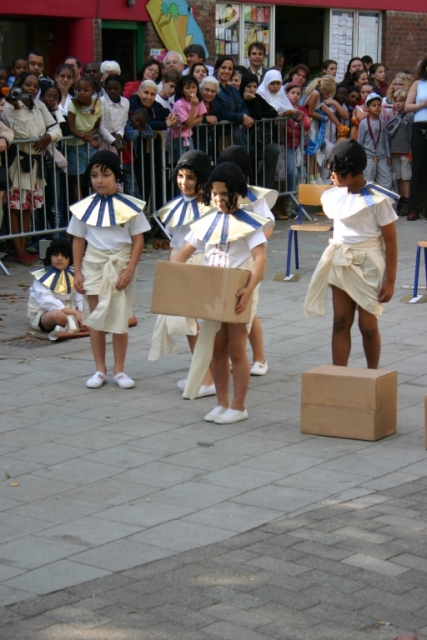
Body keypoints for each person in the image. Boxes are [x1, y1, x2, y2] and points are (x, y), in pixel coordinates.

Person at [171, 162, 270, 423]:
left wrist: (249, 289)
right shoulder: (206, 223)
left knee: (236, 348)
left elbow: (260, 259)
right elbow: (182, 253)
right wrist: (175, 280)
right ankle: (221, 402)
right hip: (212, 291)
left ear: (237, 192)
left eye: (224, 194)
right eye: (214, 193)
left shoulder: (249, 224)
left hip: (237, 292)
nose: (218, 199)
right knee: (216, 349)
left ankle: (239, 406)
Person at [304, 139, 398, 369]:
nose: (332, 175)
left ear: (355, 171)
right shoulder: (335, 195)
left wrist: (391, 281)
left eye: (338, 170)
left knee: (367, 326)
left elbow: (391, 240)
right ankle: (340, 376)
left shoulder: (378, 200)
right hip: (341, 260)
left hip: (369, 264)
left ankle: (372, 375)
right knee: (341, 321)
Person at [68, 150, 150, 389]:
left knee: (119, 315)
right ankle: (100, 369)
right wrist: (78, 272)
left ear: (117, 177)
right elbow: (78, 240)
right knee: (95, 318)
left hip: (120, 265)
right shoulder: (83, 208)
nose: (99, 180)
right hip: (93, 264)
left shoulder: (130, 207)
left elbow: (138, 240)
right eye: (94, 175)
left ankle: (120, 370)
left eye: (105, 174)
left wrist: (130, 270)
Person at [150, 150, 216, 397]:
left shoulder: (210, 206)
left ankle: (207, 378)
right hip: (179, 263)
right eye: (180, 175)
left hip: (198, 264)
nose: (184, 182)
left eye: (190, 177)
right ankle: (202, 374)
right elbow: (174, 241)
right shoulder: (176, 206)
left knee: (195, 324)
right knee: (189, 324)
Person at [216, 145, 277, 375]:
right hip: (227, 258)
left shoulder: (253, 197)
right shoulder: (220, 195)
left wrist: (255, 241)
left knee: (247, 310)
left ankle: (259, 358)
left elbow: (268, 225)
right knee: (232, 311)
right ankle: (230, 357)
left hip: (250, 260)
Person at [2, 72, 62, 263]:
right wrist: (18, 106)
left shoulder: (39, 105)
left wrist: (48, 137)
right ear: (19, 86)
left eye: (35, 86)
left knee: (27, 208)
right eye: (28, 85)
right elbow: (22, 131)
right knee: (14, 208)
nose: (32, 89)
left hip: (35, 164)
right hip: (17, 164)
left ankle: (24, 246)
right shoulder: (9, 107)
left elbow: (55, 128)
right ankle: (18, 251)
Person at [27, 238, 84, 338]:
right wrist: (74, 312)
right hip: (44, 312)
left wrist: (83, 313)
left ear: (70, 258)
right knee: (59, 316)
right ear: (50, 256)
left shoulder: (74, 274)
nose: (59, 258)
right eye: (55, 255)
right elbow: (46, 301)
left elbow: (81, 297)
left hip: (69, 310)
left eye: (64, 255)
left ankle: (66, 326)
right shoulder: (42, 277)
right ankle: (67, 325)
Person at [239, 72, 280, 190]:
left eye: (254, 87)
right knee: (249, 169)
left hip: (257, 140)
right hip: (243, 140)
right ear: (243, 87)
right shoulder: (239, 97)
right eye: (248, 87)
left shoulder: (256, 97)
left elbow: (273, 112)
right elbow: (257, 115)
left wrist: (254, 100)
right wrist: (255, 106)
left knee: (273, 150)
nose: (252, 90)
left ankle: (264, 189)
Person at [66, 75, 102, 202]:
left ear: (93, 91)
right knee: (77, 179)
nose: (81, 92)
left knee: (93, 176)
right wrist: (88, 139)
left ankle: (94, 205)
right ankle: (80, 209)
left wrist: (90, 134)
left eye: (85, 90)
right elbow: (72, 128)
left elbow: (97, 126)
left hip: (89, 146)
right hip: (74, 146)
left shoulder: (97, 104)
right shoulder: (72, 104)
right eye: (78, 89)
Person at [303, 75, 341, 184]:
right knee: (313, 152)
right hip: (311, 125)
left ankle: (317, 175)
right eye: (328, 93)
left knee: (317, 151)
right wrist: (324, 118)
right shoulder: (315, 94)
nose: (328, 95)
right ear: (323, 88)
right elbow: (311, 112)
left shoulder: (317, 94)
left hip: (315, 125)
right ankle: (311, 177)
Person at [210, 55, 253, 149]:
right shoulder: (211, 88)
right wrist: (241, 117)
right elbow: (219, 112)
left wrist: (245, 116)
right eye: (223, 67)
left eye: (230, 69)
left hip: (237, 135)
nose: (226, 71)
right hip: (220, 136)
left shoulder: (233, 90)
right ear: (217, 68)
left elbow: (243, 107)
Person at [404, 55, 427, 221]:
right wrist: (422, 105)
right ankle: (415, 207)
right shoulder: (418, 84)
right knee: (418, 168)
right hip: (420, 128)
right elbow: (407, 106)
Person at [357, 93, 392, 189]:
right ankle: (369, 203)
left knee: (386, 182)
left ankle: (384, 202)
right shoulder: (363, 123)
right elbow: (360, 141)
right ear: (367, 108)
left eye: (379, 105)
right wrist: (360, 158)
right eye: (373, 105)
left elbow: (385, 141)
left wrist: (388, 155)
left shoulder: (383, 123)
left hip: (381, 157)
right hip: (368, 157)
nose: (377, 107)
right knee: (368, 182)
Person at [386, 89, 412, 217]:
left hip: (405, 152)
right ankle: (401, 200)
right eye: (395, 101)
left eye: (401, 101)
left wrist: (411, 152)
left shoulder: (409, 116)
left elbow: (412, 135)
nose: (397, 104)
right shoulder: (392, 118)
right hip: (394, 152)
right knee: (399, 178)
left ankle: (407, 201)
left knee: (406, 178)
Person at [171, 75, 206, 160]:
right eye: (187, 88)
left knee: (191, 161)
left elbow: (201, 117)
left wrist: (187, 125)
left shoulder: (199, 100)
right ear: (182, 91)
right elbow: (188, 122)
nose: (191, 90)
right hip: (178, 138)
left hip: (189, 135)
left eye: (194, 87)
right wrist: (193, 106)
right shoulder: (180, 104)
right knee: (182, 162)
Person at [100, 75, 129, 154]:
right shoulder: (101, 102)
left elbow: (123, 123)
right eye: (109, 89)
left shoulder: (126, 102)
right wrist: (115, 142)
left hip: (115, 142)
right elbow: (100, 126)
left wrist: (118, 139)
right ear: (105, 88)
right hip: (100, 141)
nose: (112, 91)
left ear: (122, 89)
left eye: (116, 89)